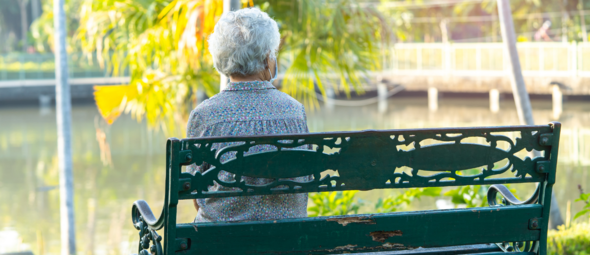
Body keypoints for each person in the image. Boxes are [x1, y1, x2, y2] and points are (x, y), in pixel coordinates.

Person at [186, 8, 310, 222]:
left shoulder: (204, 116)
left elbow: (196, 193)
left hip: (221, 243)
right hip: (288, 239)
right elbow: (305, 179)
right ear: (266, 59)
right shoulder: (294, 111)